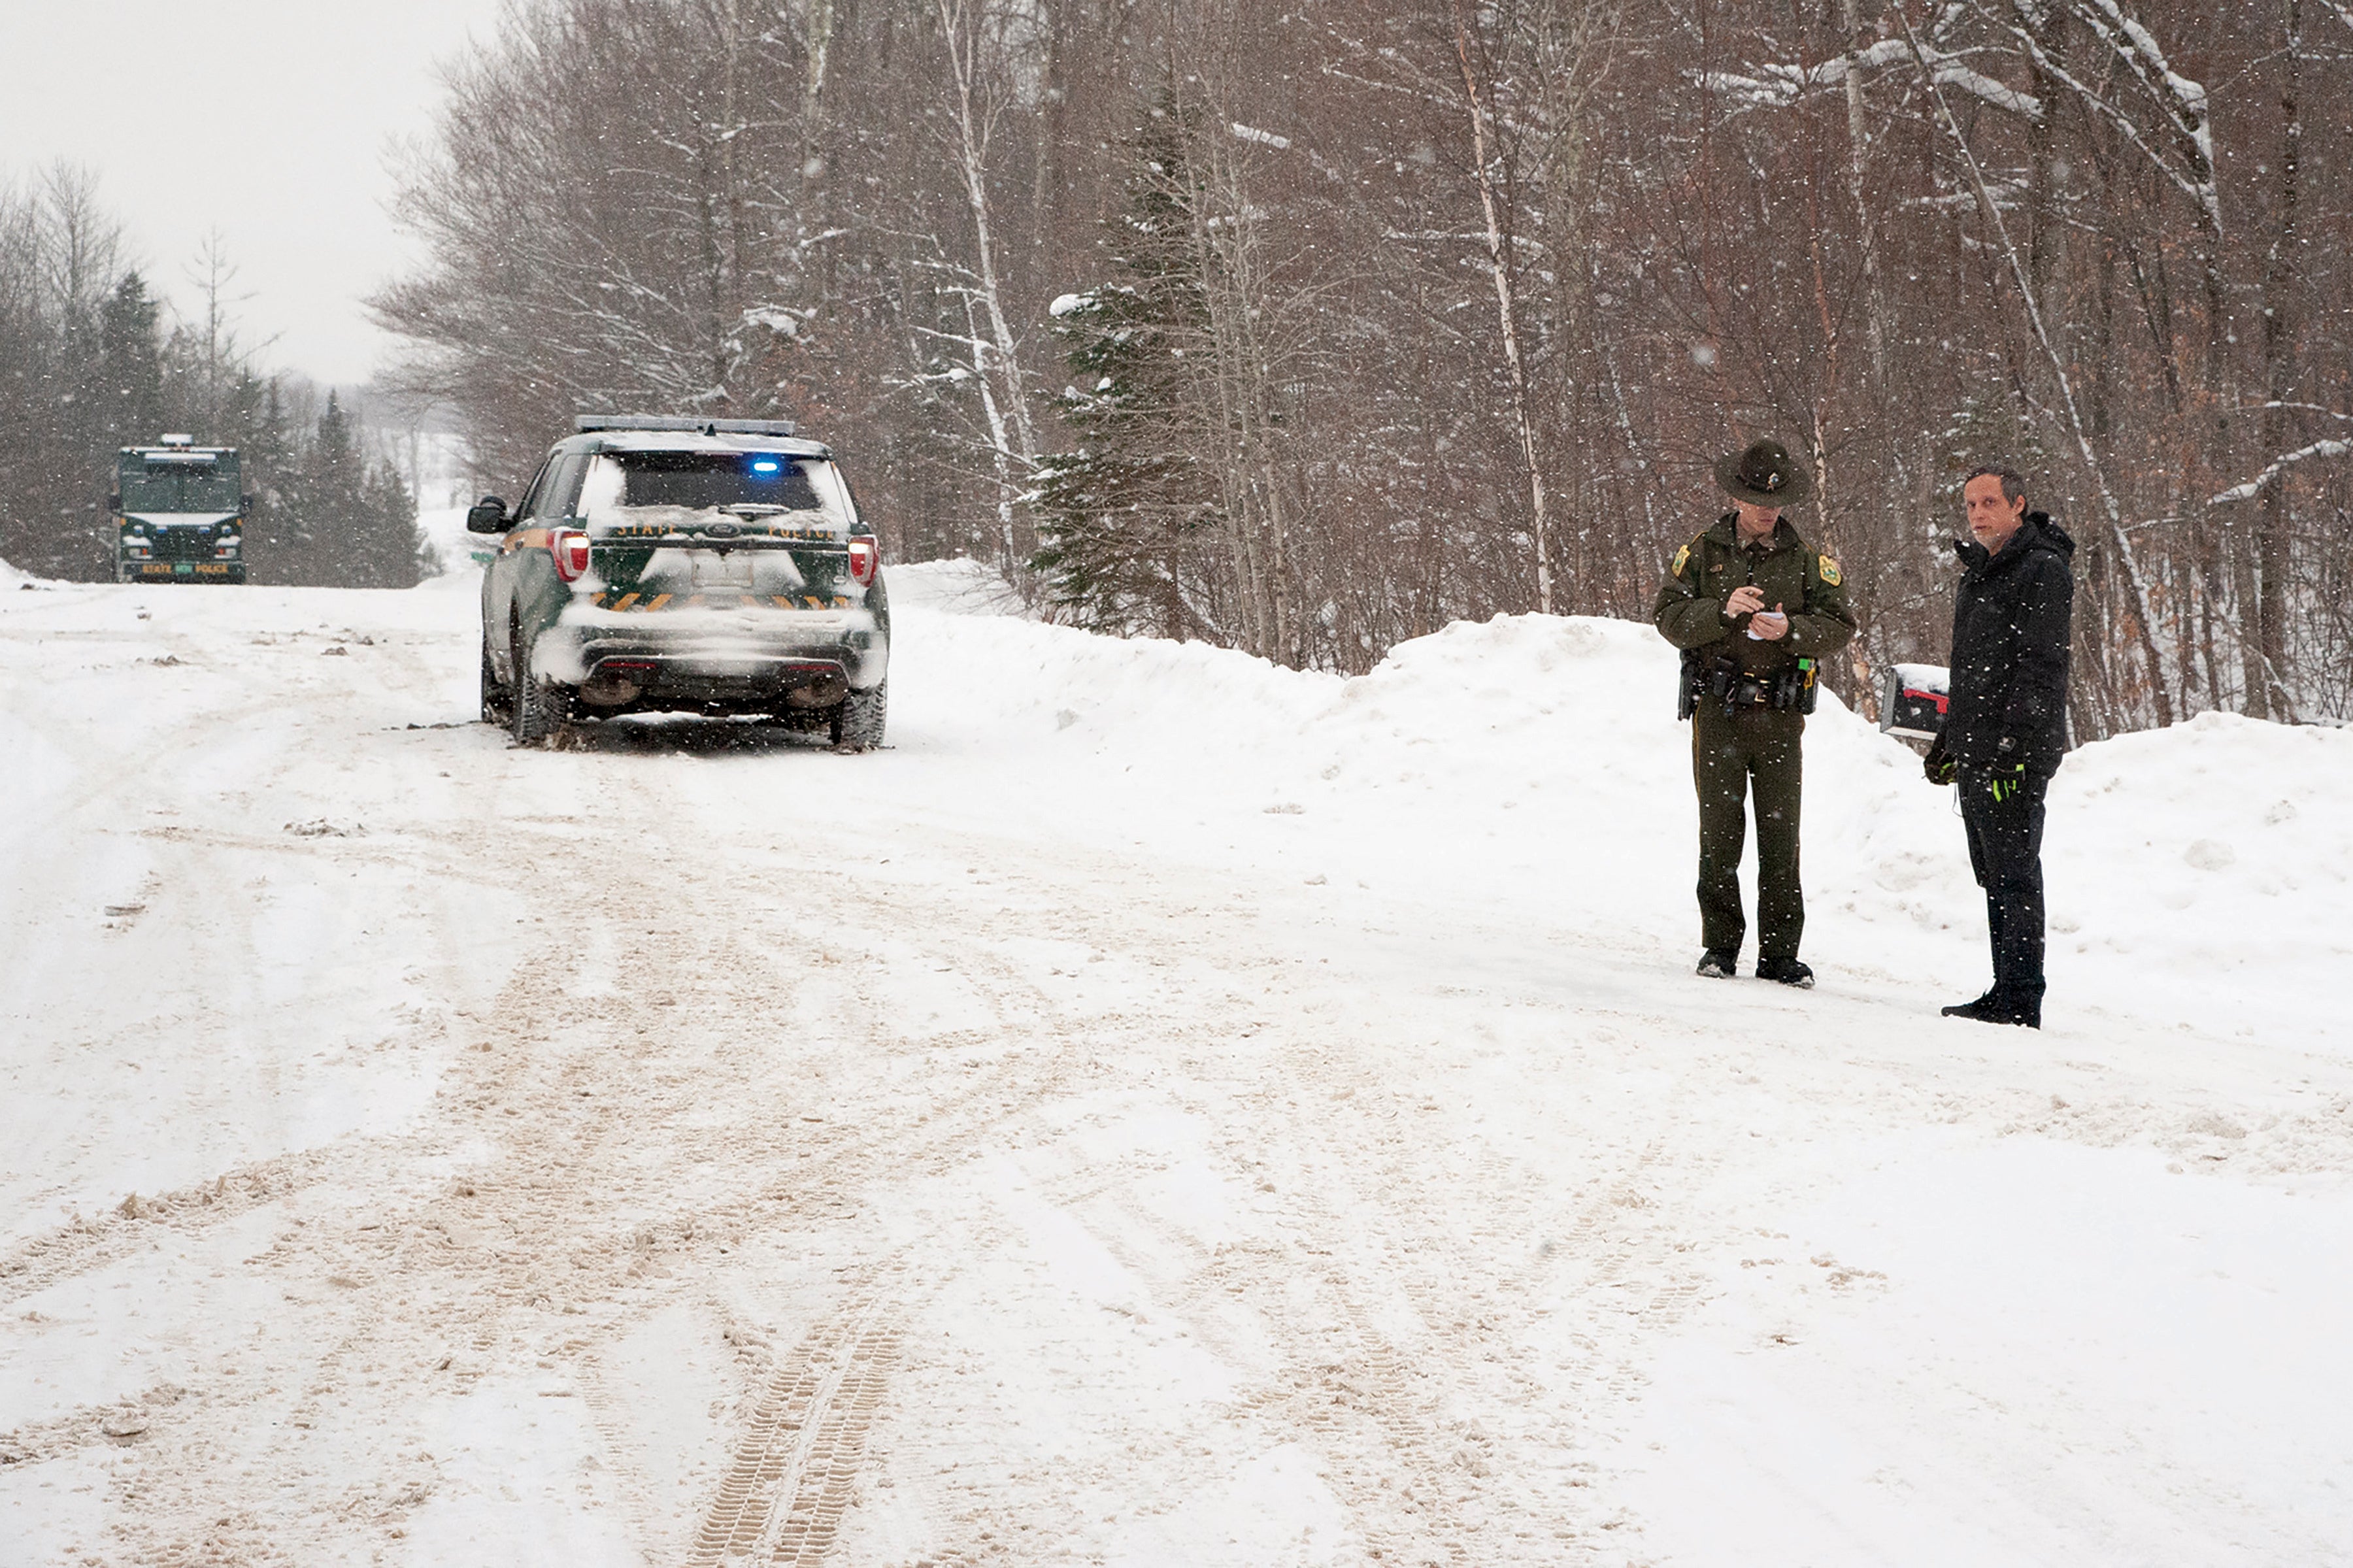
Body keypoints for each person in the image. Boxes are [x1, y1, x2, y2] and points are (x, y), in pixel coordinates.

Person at [1654, 439, 1857, 986]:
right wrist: (1720, 612)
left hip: (1778, 713)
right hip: (1719, 711)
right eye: (1755, 498)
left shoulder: (1809, 560)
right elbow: (1667, 616)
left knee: (1779, 836)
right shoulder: (1702, 551)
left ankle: (1779, 953)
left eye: (1776, 499)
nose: (1767, 509)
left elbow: (1840, 624)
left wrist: (1793, 630)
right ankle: (1720, 946)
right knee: (1719, 832)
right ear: (1736, 496)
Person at [1923, 465, 2075, 1029]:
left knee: (2015, 870)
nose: (1979, 513)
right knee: (1991, 870)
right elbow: (1970, 672)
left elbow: (2042, 665)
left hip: (2016, 750)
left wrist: (2014, 742)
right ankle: (2003, 987)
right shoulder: (1980, 572)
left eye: (1990, 502)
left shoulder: (2042, 570)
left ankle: (2021, 997)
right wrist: (1949, 739)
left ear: (2018, 506)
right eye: (1970, 505)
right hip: (1978, 745)